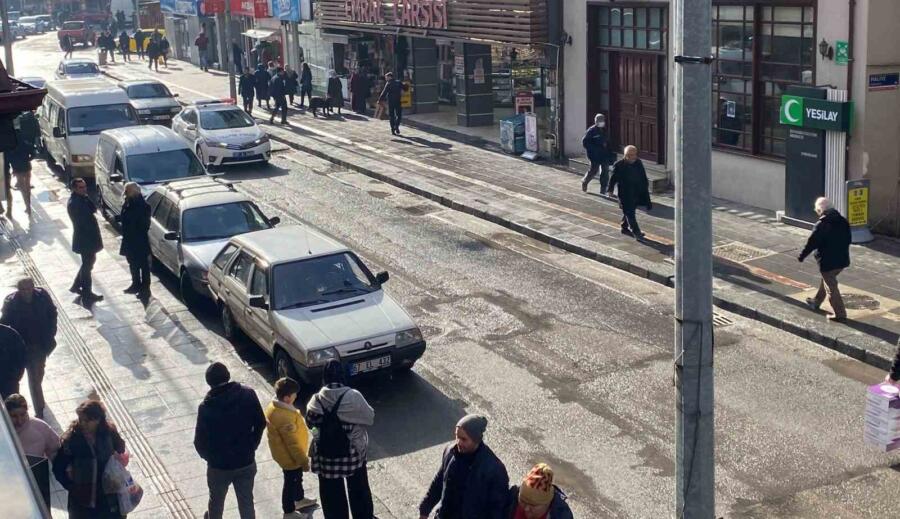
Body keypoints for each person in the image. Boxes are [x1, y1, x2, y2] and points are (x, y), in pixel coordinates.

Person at [194, 362, 266, 519]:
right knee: (246, 502)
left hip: (218, 466)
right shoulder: (248, 394)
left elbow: (199, 442)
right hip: (245, 461)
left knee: (216, 503)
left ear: (209, 382)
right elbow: (261, 422)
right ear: (227, 376)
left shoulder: (206, 407)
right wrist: (252, 445)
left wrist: (211, 458)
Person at [306, 360, 375, 519]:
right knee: (359, 489)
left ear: (324, 377)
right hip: (352, 454)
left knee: (331, 495)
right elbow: (370, 417)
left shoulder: (315, 400)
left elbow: (310, 424)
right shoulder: (353, 396)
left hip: (326, 456)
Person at [418, 414, 509, 519]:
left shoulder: (494, 469)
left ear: (476, 440)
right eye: (457, 436)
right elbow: (439, 482)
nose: (458, 442)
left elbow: (497, 509)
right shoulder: (450, 452)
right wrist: (424, 510)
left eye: (464, 439)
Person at [54, 400, 127, 518]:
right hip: (83, 497)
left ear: (98, 420)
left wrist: (118, 457)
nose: (83, 423)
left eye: (87, 420)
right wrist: (72, 487)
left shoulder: (108, 432)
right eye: (81, 419)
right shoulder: (71, 440)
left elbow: (120, 447)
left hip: (108, 492)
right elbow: (58, 468)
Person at [1, 277, 58, 418]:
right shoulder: (11, 303)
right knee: (32, 381)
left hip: (38, 346)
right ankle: (39, 410)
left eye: (28, 289)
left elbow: (52, 313)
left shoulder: (42, 296)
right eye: (22, 290)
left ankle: (38, 401)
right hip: (19, 348)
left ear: (33, 288)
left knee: (37, 376)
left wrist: (51, 332)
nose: (26, 292)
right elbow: (4, 324)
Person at [265, 378, 317, 517]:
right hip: (290, 458)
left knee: (296, 478)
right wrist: (304, 461)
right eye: (294, 395)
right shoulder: (285, 417)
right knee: (290, 481)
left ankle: (299, 499)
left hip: (285, 454)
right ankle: (288, 511)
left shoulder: (275, 407)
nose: (296, 397)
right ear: (287, 398)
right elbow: (292, 444)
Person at [799, 196, 852, 322]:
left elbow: (811, 243)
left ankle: (840, 314)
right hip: (842, 260)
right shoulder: (843, 221)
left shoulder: (821, 225)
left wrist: (802, 256)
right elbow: (849, 239)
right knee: (828, 280)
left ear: (819, 210)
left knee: (831, 288)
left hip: (828, 262)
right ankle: (816, 302)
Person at [7, 394, 60, 508]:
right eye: (14, 416)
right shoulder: (3, 431)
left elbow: (55, 451)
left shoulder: (40, 427)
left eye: (23, 414)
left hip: (36, 483)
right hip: (9, 484)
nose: (19, 420)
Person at [67, 178, 104, 302]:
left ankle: (76, 285)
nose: (84, 189)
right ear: (74, 189)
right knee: (87, 266)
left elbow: (93, 208)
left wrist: (86, 197)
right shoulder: (75, 203)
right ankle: (87, 292)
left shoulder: (83, 198)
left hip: (89, 238)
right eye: (81, 188)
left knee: (88, 263)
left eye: (84, 187)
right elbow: (83, 221)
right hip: (85, 239)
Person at [606, 145, 651, 240]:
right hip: (624, 193)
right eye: (629, 155)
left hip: (636, 192)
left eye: (634, 155)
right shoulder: (619, 165)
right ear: (625, 155)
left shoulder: (638, 162)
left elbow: (643, 176)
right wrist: (610, 190)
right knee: (630, 212)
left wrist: (645, 189)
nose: (632, 157)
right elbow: (613, 178)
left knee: (630, 211)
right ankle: (637, 233)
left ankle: (624, 227)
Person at [503, 464, 573, 519]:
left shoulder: (562, 515)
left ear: (547, 503)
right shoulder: (510, 499)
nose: (526, 509)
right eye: (523, 501)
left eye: (533, 505)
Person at [119, 183, 151, 297]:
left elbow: (144, 225)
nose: (125, 194)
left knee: (143, 265)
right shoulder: (128, 203)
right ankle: (135, 283)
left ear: (133, 192)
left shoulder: (143, 206)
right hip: (129, 240)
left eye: (127, 191)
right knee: (133, 264)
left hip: (139, 241)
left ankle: (145, 287)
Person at [4, 118, 36, 215]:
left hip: (17, 168)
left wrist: (9, 167)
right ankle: (28, 205)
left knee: (23, 188)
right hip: (26, 165)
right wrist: (29, 158)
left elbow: (8, 157)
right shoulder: (23, 139)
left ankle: (27, 206)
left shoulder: (9, 143)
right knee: (27, 186)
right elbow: (32, 151)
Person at [581, 113, 613, 193]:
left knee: (605, 171)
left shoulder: (605, 130)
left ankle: (603, 189)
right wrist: (594, 149)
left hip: (604, 154)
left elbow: (608, 142)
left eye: (603, 121)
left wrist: (610, 152)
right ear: (596, 121)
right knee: (593, 170)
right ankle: (585, 181)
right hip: (594, 155)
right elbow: (585, 143)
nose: (602, 122)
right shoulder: (591, 131)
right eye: (600, 121)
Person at [0, 324, 26, 399]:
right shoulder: (10, 333)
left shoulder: (10, 334)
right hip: (10, 382)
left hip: (9, 382)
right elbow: (22, 357)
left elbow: (21, 357)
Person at [379, 72, 408, 136]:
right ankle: (396, 126)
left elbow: (384, 92)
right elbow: (405, 88)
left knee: (391, 116)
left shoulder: (388, 83)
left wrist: (380, 100)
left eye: (386, 77)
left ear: (390, 77)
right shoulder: (398, 82)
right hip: (398, 100)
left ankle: (393, 130)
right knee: (399, 115)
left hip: (391, 102)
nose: (386, 78)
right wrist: (406, 84)